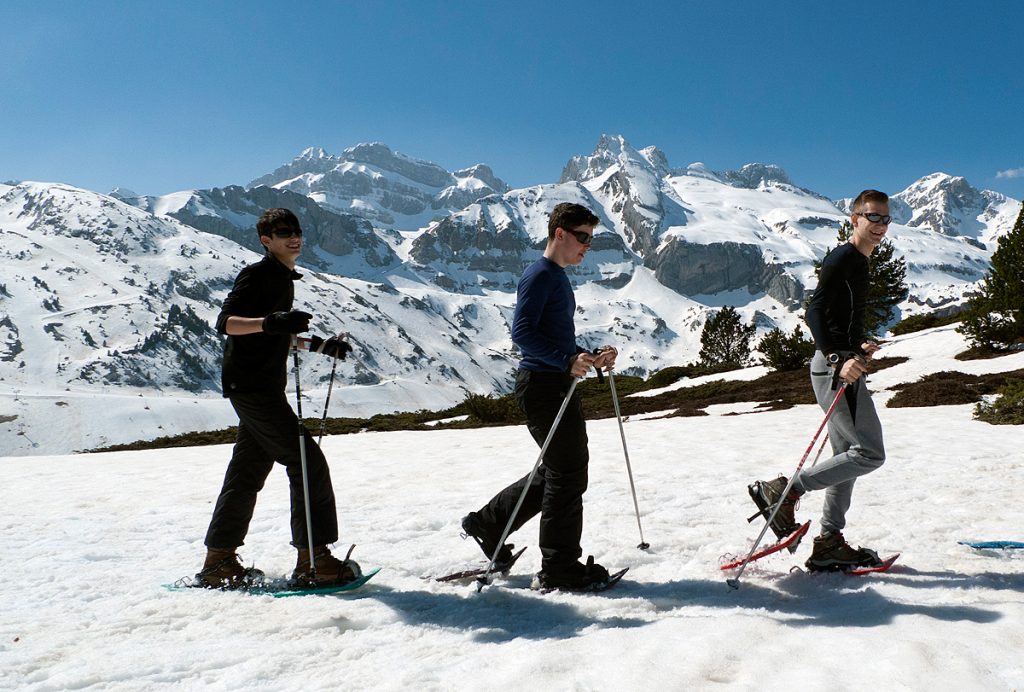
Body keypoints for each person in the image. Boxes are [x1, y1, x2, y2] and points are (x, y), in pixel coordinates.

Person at [195, 208, 358, 589]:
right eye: (284, 232)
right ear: (265, 240)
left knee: (245, 474)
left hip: (258, 387)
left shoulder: (284, 278)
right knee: (307, 461)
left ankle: (218, 561)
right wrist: (270, 321)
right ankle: (313, 560)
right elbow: (227, 323)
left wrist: (319, 345)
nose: (294, 237)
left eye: (297, 231)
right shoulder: (257, 275)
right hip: (252, 388)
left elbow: (275, 335)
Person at [460, 202, 619, 591]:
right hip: (543, 386)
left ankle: (490, 523)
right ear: (559, 233)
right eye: (582, 238)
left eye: (591, 240)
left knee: (558, 468)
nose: (587, 246)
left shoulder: (557, 276)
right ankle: (559, 567)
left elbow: (555, 338)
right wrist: (566, 359)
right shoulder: (541, 275)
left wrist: (589, 355)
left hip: (554, 383)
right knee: (567, 471)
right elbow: (523, 334)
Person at [749, 189, 890, 572]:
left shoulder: (860, 262)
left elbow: (840, 318)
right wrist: (836, 357)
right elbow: (814, 312)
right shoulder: (843, 258)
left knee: (846, 457)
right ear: (854, 218)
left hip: (845, 364)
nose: (880, 226)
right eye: (872, 217)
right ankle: (785, 489)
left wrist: (858, 344)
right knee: (869, 453)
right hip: (834, 369)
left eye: (885, 219)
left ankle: (829, 541)